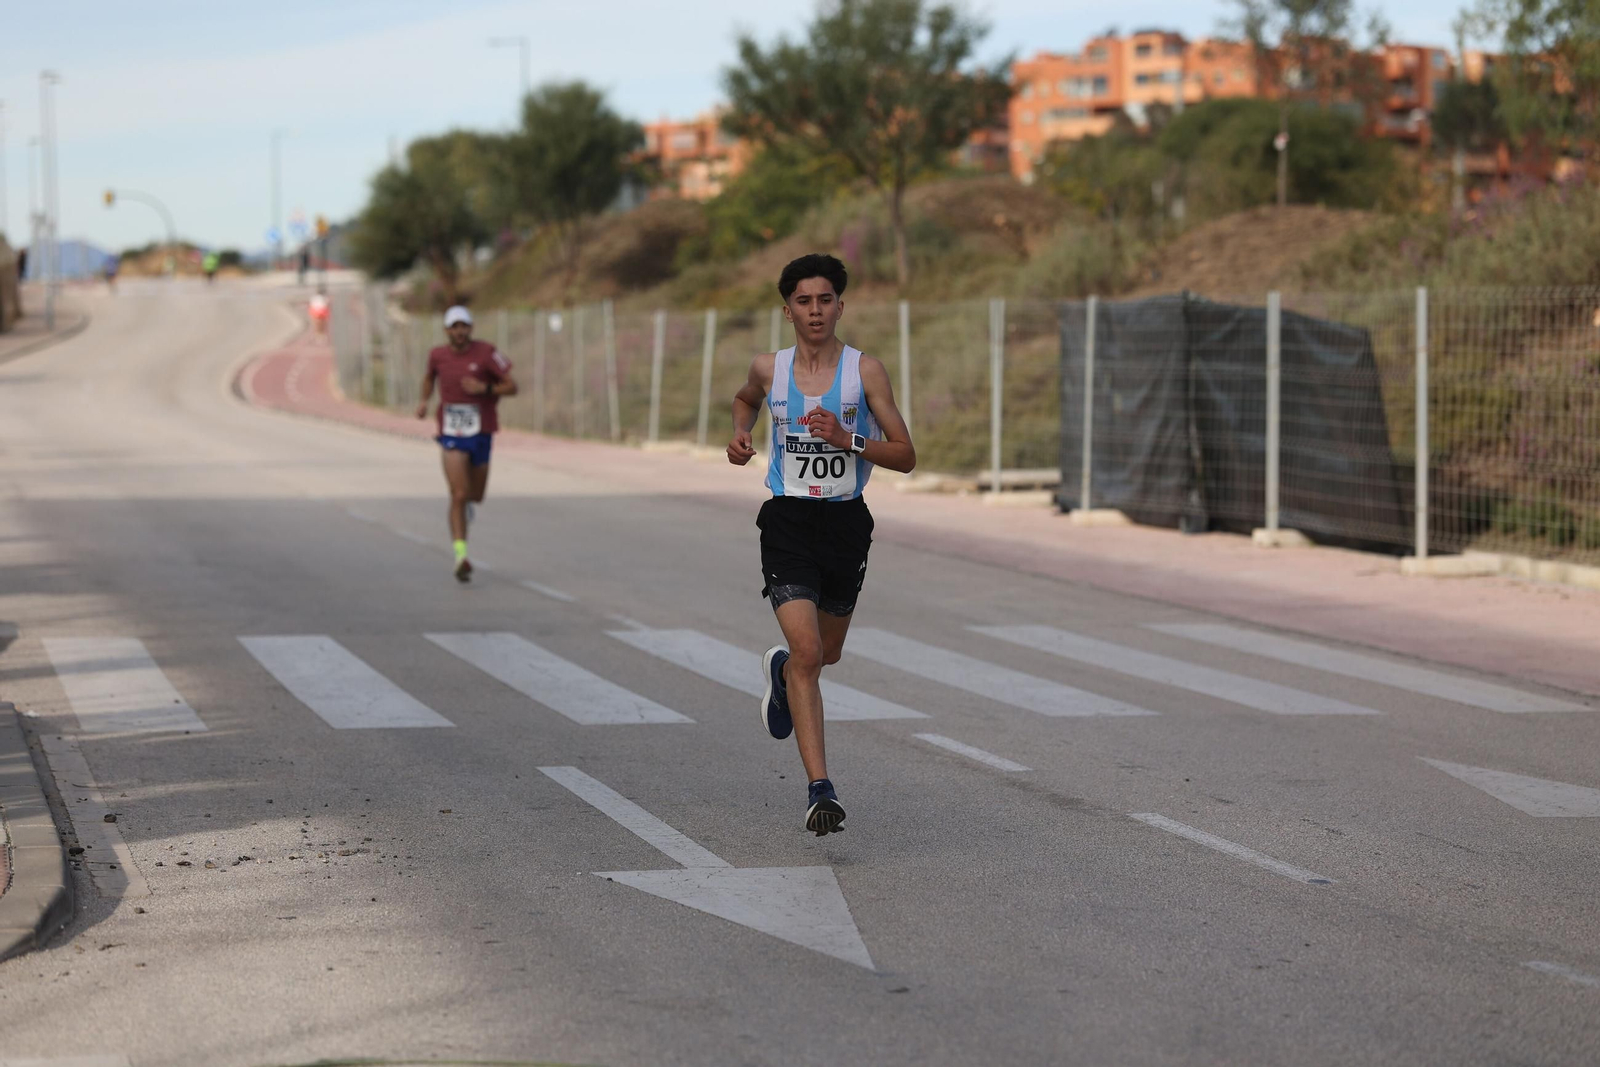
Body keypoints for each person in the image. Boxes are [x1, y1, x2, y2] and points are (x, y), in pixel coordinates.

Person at [726, 253, 916, 836]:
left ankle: (782, 671)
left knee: (823, 655)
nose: (816, 310)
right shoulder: (769, 368)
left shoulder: (866, 372)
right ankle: (820, 790)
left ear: (840, 305)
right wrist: (739, 436)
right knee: (811, 655)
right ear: (788, 311)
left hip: (845, 524)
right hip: (787, 521)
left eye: (825, 299)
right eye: (804, 301)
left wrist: (849, 437)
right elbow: (745, 400)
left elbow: (905, 455)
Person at [415, 305, 518, 582]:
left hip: (481, 430)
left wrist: (485, 389)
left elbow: (512, 386)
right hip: (451, 432)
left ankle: (468, 503)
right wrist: (424, 401)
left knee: (476, 495)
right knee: (458, 494)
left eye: (464, 326)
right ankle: (461, 555)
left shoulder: (486, 353)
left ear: (470, 328)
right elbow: (429, 378)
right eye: (454, 327)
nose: (459, 332)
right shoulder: (437, 355)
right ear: (447, 330)